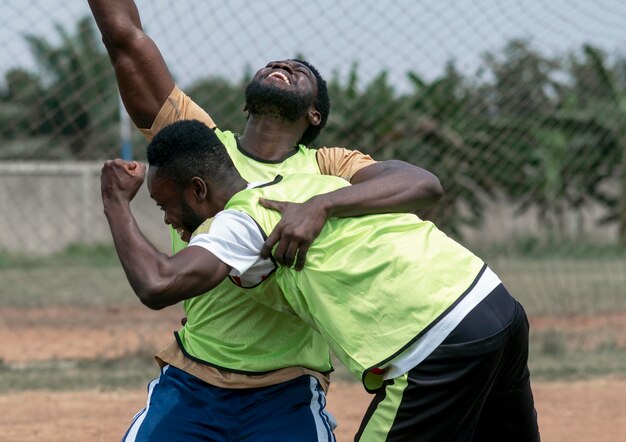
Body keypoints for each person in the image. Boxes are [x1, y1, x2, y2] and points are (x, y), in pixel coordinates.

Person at [88, 1, 444, 440]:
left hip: (288, 386)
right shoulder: (202, 146)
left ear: (314, 114)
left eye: (301, 70)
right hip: (192, 380)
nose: (282, 64)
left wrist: (321, 206)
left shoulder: (329, 166)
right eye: (274, 63)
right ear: (245, 104)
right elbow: (125, 39)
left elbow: (421, 184)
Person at [101, 119, 540, 442]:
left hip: (434, 343)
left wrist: (115, 202)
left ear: (198, 190)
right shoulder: (315, 181)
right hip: (494, 303)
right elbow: (423, 183)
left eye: (165, 206)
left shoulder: (241, 220)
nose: (168, 220)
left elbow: (157, 284)